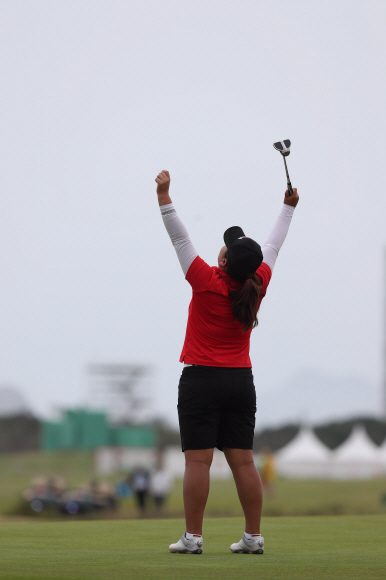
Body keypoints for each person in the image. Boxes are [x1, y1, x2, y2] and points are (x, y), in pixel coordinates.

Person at [155, 169, 299, 555]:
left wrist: (164, 195)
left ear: (224, 259)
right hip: (240, 381)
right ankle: (253, 537)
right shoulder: (258, 284)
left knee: (198, 463)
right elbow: (274, 246)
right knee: (244, 462)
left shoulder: (205, 279)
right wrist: (287, 209)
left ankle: (194, 538)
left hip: (201, 379)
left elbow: (179, 236)